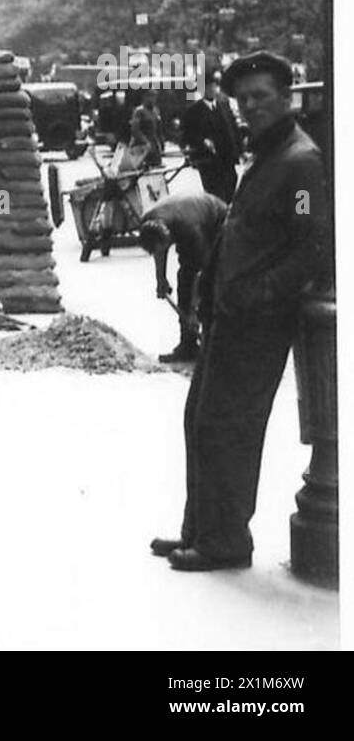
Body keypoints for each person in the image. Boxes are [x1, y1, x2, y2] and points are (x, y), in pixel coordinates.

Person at [152, 52, 329, 572]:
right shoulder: (268, 155)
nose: (250, 106)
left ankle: (225, 541)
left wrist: (259, 293)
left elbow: (311, 245)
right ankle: (201, 530)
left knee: (229, 428)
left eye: (260, 96)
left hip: (258, 324)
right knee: (202, 422)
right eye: (242, 98)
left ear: (286, 97)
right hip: (230, 317)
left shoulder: (301, 164)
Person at [137, 191, 227, 363]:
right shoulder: (148, 222)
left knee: (210, 282)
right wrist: (161, 279)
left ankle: (216, 343)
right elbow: (158, 249)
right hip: (187, 213)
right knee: (184, 281)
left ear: (170, 237)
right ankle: (188, 346)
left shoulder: (190, 229)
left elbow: (202, 272)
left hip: (216, 220)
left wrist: (194, 311)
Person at [180, 71, 241, 203]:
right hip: (208, 162)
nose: (211, 90)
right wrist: (202, 141)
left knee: (231, 189)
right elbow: (187, 135)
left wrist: (240, 148)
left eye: (213, 86)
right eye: (207, 87)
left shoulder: (223, 105)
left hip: (227, 159)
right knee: (215, 195)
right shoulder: (193, 111)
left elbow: (233, 128)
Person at [128, 90, 164, 169]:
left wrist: (161, 142)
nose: (152, 99)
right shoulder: (139, 111)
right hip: (140, 146)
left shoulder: (156, 111)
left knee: (156, 167)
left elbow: (158, 129)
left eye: (154, 97)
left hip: (154, 145)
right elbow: (135, 130)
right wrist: (145, 142)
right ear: (145, 97)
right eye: (150, 96)